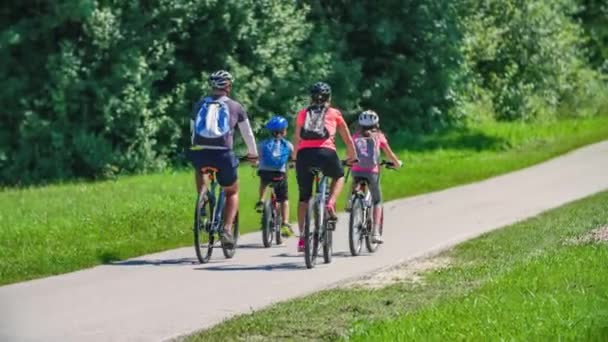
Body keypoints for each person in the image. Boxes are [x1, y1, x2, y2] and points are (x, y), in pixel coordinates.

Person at [189, 70, 258, 248]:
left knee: (199, 168)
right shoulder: (236, 107)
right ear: (228, 86)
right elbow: (247, 134)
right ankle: (227, 230)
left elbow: (192, 132)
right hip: (223, 154)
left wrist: (197, 148)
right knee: (232, 191)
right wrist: (253, 155)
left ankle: (202, 198)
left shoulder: (199, 104)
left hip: (200, 152)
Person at [292, 81, 357, 252]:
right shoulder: (334, 113)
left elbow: (297, 138)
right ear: (329, 97)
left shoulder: (303, 113)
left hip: (305, 155)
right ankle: (330, 204)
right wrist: (353, 156)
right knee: (339, 176)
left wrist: (294, 158)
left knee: (304, 198)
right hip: (326, 153)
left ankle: (302, 239)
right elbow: (347, 138)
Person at [350, 110, 402, 243]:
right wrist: (397, 164)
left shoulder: (355, 136)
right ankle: (375, 233)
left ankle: (353, 199)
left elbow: (350, 153)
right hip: (372, 171)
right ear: (376, 124)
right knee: (377, 201)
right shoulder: (379, 136)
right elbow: (389, 154)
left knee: (356, 180)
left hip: (356, 169)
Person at [255, 115, 295, 237]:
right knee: (284, 199)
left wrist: (257, 164)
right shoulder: (288, 145)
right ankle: (285, 224)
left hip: (265, 172)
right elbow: (293, 159)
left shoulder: (262, 144)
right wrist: (292, 164)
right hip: (280, 174)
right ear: (284, 130)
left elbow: (257, 157)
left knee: (263, 181)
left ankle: (261, 200)